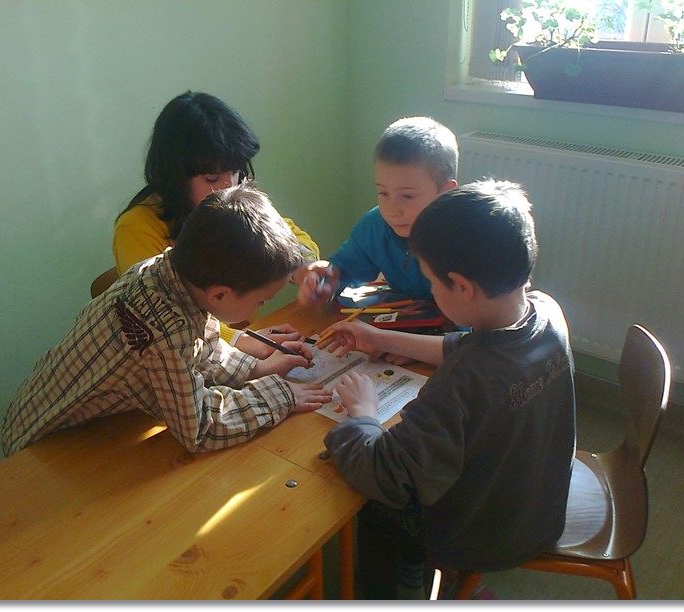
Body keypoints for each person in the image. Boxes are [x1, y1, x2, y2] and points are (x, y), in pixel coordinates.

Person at [318, 179, 576, 599]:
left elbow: (384, 470)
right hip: (538, 506)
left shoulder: (463, 380)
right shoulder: (546, 312)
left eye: (432, 283)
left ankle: (400, 592)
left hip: (478, 535)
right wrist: (382, 338)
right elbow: (468, 345)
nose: (432, 292)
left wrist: (363, 413)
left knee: (373, 505)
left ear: (462, 287)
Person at [3, 183, 333, 456]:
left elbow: (202, 348)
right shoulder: (164, 331)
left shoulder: (165, 271)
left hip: (64, 419)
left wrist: (255, 368)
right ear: (219, 294)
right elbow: (200, 428)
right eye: (261, 301)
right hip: (42, 446)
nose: (261, 307)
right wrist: (281, 395)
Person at [113, 91, 319, 358]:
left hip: (249, 339)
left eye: (236, 173)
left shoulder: (234, 201)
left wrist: (302, 266)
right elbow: (163, 320)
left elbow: (287, 235)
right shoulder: (137, 228)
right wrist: (240, 340)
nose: (228, 187)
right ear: (175, 176)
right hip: (189, 354)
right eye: (211, 178)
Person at [297, 116, 458, 306]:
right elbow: (344, 269)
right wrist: (326, 282)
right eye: (383, 193)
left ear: (445, 192)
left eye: (407, 196)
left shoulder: (469, 235)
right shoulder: (376, 226)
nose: (392, 210)